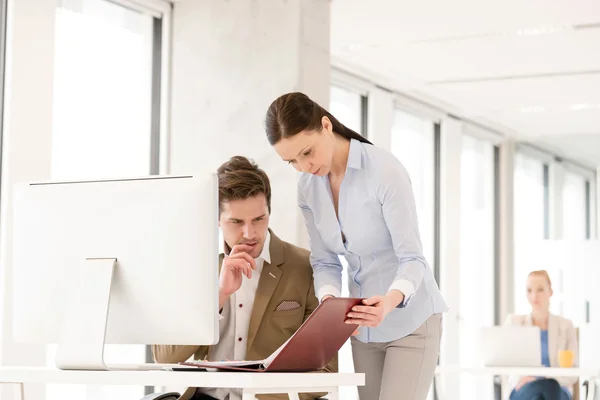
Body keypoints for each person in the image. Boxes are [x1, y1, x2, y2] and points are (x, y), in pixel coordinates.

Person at [264, 92, 448, 400]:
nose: (304, 166)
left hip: (411, 320)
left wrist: (389, 301)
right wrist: (329, 304)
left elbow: (413, 258)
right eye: (292, 161)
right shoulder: (307, 187)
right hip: (362, 328)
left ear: (326, 125)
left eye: (307, 152)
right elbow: (325, 262)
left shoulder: (384, 171)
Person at [152, 156, 337, 400]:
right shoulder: (197, 267)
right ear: (217, 220)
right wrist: (219, 295)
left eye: (258, 219)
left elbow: (326, 372)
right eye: (236, 222)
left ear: (269, 212)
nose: (250, 233)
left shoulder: (306, 267)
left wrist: (257, 389)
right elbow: (165, 355)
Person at [504, 270, 578, 400]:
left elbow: (573, 372)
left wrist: (544, 378)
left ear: (550, 291)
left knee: (549, 388)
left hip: (557, 389)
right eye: (529, 290)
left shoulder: (566, 326)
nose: (534, 296)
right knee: (537, 394)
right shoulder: (515, 324)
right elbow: (507, 365)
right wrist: (525, 379)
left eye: (540, 290)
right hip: (525, 388)